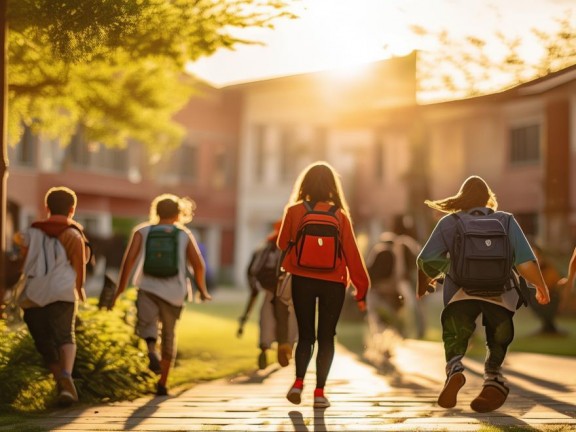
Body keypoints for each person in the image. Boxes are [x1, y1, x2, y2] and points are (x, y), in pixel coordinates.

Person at [416, 175, 550, 413]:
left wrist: (449, 269)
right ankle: (493, 376)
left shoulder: (451, 221)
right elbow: (525, 262)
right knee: (497, 334)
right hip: (500, 291)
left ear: (462, 199)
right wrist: (541, 286)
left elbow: (425, 259)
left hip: (460, 292)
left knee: (456, 332)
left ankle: (455, 369)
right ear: (489, 199)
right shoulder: (506, 220)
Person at [277, 161, 370, 409]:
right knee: (326, 336)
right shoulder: (340, 215)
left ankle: (298, 383)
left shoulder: (295, 211)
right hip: (334, 282)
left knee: (306, 335)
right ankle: (319, 392)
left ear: (304, 184)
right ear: (333, 186)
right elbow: (352, 255)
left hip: (302, 279)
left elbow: (281, 243)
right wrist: (362, 291)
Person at [111, 193, 212, 396]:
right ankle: (163, 383)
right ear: (178, 214)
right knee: (169, 334)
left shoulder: (142, 231)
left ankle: (150, 351)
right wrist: (202, 289)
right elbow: (198, 265)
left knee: (147, 325)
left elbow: (128, 261)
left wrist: (120, 287)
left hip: (147, 288)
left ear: (155, 212)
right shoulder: (183, 234)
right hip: (174, 292)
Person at [13, 186, 89, 406]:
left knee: (44, 342)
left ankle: (61, 383)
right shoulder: (74, 234)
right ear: (72, 209)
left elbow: (20, 262)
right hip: (62, 292)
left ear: (47, 207)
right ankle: (66, 378)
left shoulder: (31, 233)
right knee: (65, 336)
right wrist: (80, 289)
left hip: (33, 294)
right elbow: (79, 267)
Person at [237, 222, 297, 369]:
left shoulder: (264, 248)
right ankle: (286, 346)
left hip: (268, 291)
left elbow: (252, 274)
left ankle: (264, 348)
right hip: (288, 293)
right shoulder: (293, 247)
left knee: (267, 321)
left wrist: (244, 317)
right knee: (290, 320)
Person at [528, 244, 564, 335]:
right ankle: (547, 326)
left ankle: (549, 326)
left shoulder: (548, 268)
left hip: (551, 297)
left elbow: (553, 283)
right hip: (537, 297)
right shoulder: (530, 269)